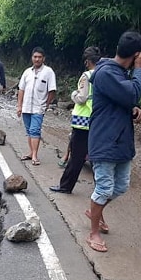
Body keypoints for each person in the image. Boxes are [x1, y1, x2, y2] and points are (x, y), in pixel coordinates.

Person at [85, 31, 141, 253]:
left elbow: (123, 100)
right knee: (104, 188)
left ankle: (96, 210)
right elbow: (131, 94)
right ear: (136, 54)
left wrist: (133, 110)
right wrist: (140, 70)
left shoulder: (119, 72)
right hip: (105, 141)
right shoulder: (107, 73)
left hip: (121, 141)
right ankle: (93, 232)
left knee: (120, 186)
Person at [49, 46, 101, 193]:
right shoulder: (105, 74)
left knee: (77, 156)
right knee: (97, 156)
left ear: (87, 62)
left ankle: (66, 185)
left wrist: (73, 94)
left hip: (83, 121)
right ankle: (102, 189)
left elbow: (82, 98)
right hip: (97, 120)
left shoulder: (87, 76)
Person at [16, 47, 56, 166]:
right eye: (35, 57)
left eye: (39, 57)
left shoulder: (48, 72)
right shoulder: (27, 72)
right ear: (32, 58)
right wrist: (19, 106)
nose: (37, 59)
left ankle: (34, 155)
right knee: (29, 131)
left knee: (35, 130)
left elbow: (52, 90)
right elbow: (21, 89)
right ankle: (30, 152)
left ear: (43, 58)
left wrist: (46, 105)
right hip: (26, 107)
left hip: (39, 107)